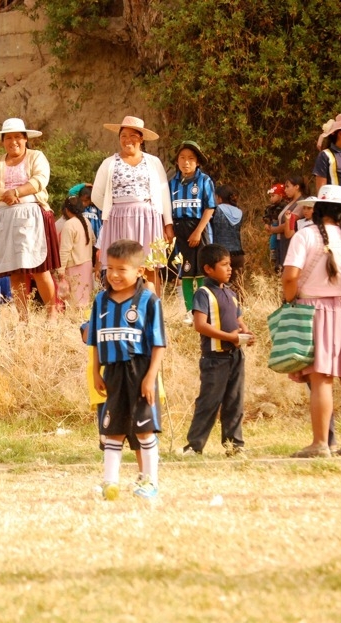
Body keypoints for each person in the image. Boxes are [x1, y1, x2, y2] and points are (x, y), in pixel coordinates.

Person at [282, 185, 341, 458]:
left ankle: (321, 443)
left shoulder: (305, 236)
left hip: (314, 310)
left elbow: (290, 276)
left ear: (317, 209)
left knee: (321, 379)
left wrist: (290, 298)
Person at [87, 239, 166, 500]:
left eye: (122, 269)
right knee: (112, 429)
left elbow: (159, 343)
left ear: (140, 271)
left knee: (144, 428)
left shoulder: (149, 301)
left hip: (140, 370)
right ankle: (110, 482)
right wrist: (96, 371)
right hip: (112, 371)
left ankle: (150, 481)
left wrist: (150, 377)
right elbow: (95, 340)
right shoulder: (100, 300)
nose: (114, 275)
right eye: (110, 268)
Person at [0, 118, 60, 320]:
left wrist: (17, 192)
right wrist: (5, 194)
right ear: (2, 141)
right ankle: (23, 317)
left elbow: (40, 179)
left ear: (25, 139)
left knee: (39, 269)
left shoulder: (36, 156)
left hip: (31, 217)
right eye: (8, 138)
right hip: (4, 219)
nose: (13, 141)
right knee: (15, 271)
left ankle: (52, 314)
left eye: (17, 137)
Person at [182, 244, 253, 456]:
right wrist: (229, 337)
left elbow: (239, 320)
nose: (230, 268)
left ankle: (234, 446)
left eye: (230, 264)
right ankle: (194, 446)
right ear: (208, 269)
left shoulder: (231, 293)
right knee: (209, 402)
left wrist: (246, 333)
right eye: (224, 265)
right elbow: (200, 325)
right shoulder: (203, 294)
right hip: (215, 358)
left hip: (235, 356)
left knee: (234, 402)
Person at [92, 116, 173, 292]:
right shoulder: (109, 163)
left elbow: (163, 193)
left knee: (149, 266)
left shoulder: (153, 162)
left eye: (133, 136)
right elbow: (96, 195)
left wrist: (167, 224)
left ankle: (151, 306)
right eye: (124, 136)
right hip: (118, 220)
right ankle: (121, 305)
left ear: (141, 139)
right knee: (120, 266)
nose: (128, 140)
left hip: (148, 219)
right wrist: (113, 211)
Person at [168, 140, 217, 325]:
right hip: (180, 230)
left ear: (197, 162)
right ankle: (190, 312)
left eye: (190, 158)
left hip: (199, 229)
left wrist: (198, 231)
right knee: (186, 272)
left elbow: (210, 208)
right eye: (182, 158)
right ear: (177, 161)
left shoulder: (204, 180)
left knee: (203, 271)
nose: (186, 162)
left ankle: (205, 311)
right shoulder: (172, 183)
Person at [56, 194, 96, 310]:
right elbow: (93, 240)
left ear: (67, 210)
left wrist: (61, 270)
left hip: (74, 266)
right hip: (87, 264)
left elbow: (65, 250)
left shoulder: (69, 225)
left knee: (75, 301)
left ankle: (74, 318)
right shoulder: (86, 221)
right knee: (85, 299)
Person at [210, 184, 245, 299]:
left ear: (219, 198)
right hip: (238, 254)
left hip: (221, 254)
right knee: (238, 288)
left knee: (220, 287)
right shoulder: (239, 212)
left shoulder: (216, 210)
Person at [278, 176, 307, 265]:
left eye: (287, 187)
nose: (285, 190)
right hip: (282, 240)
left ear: (297, 187)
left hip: (290, 241)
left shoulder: (301, 203)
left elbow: (290, 222)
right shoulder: (290, 202)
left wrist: (273, 230)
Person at [263, 183, 287, 274]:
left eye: (273, 196)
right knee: (273, 239)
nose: (271, 198)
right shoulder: (270, 207)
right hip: (274, 225)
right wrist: (267, 223)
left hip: (282, 227)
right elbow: (266, 216)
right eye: (270, 196)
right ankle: (273, 253)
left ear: (280, 195)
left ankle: (275, 253)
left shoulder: (285, 206)